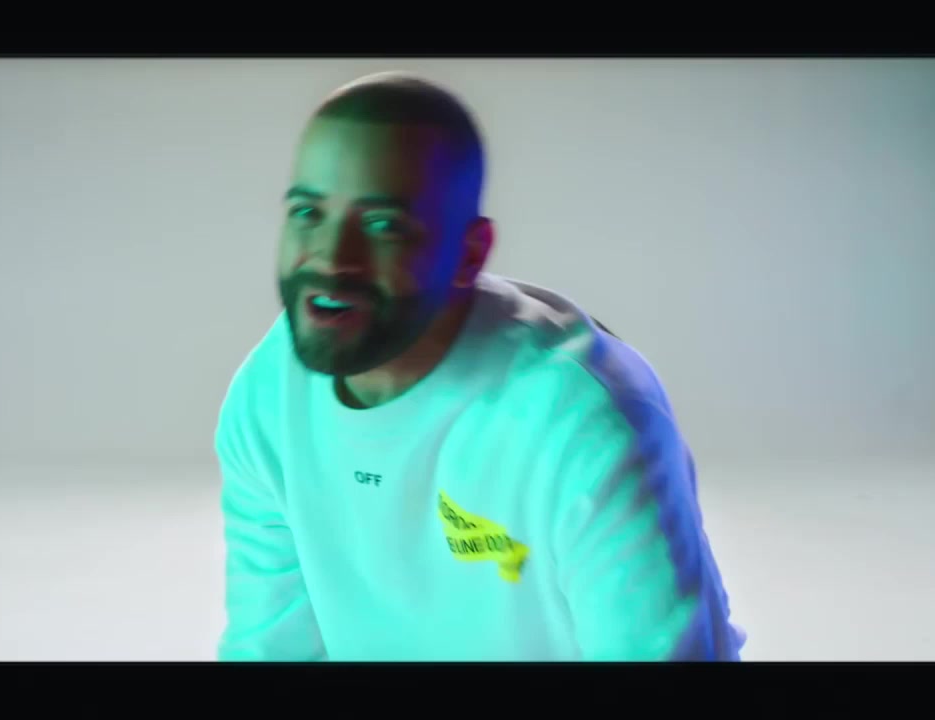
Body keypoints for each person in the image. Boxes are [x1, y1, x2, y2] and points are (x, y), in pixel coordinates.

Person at [213, 71, 745, 661]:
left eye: (383, 225)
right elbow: (270, 651)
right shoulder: (268, 396)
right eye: (308, 213)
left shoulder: (580, 423)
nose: (334, 259)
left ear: (470, 254)